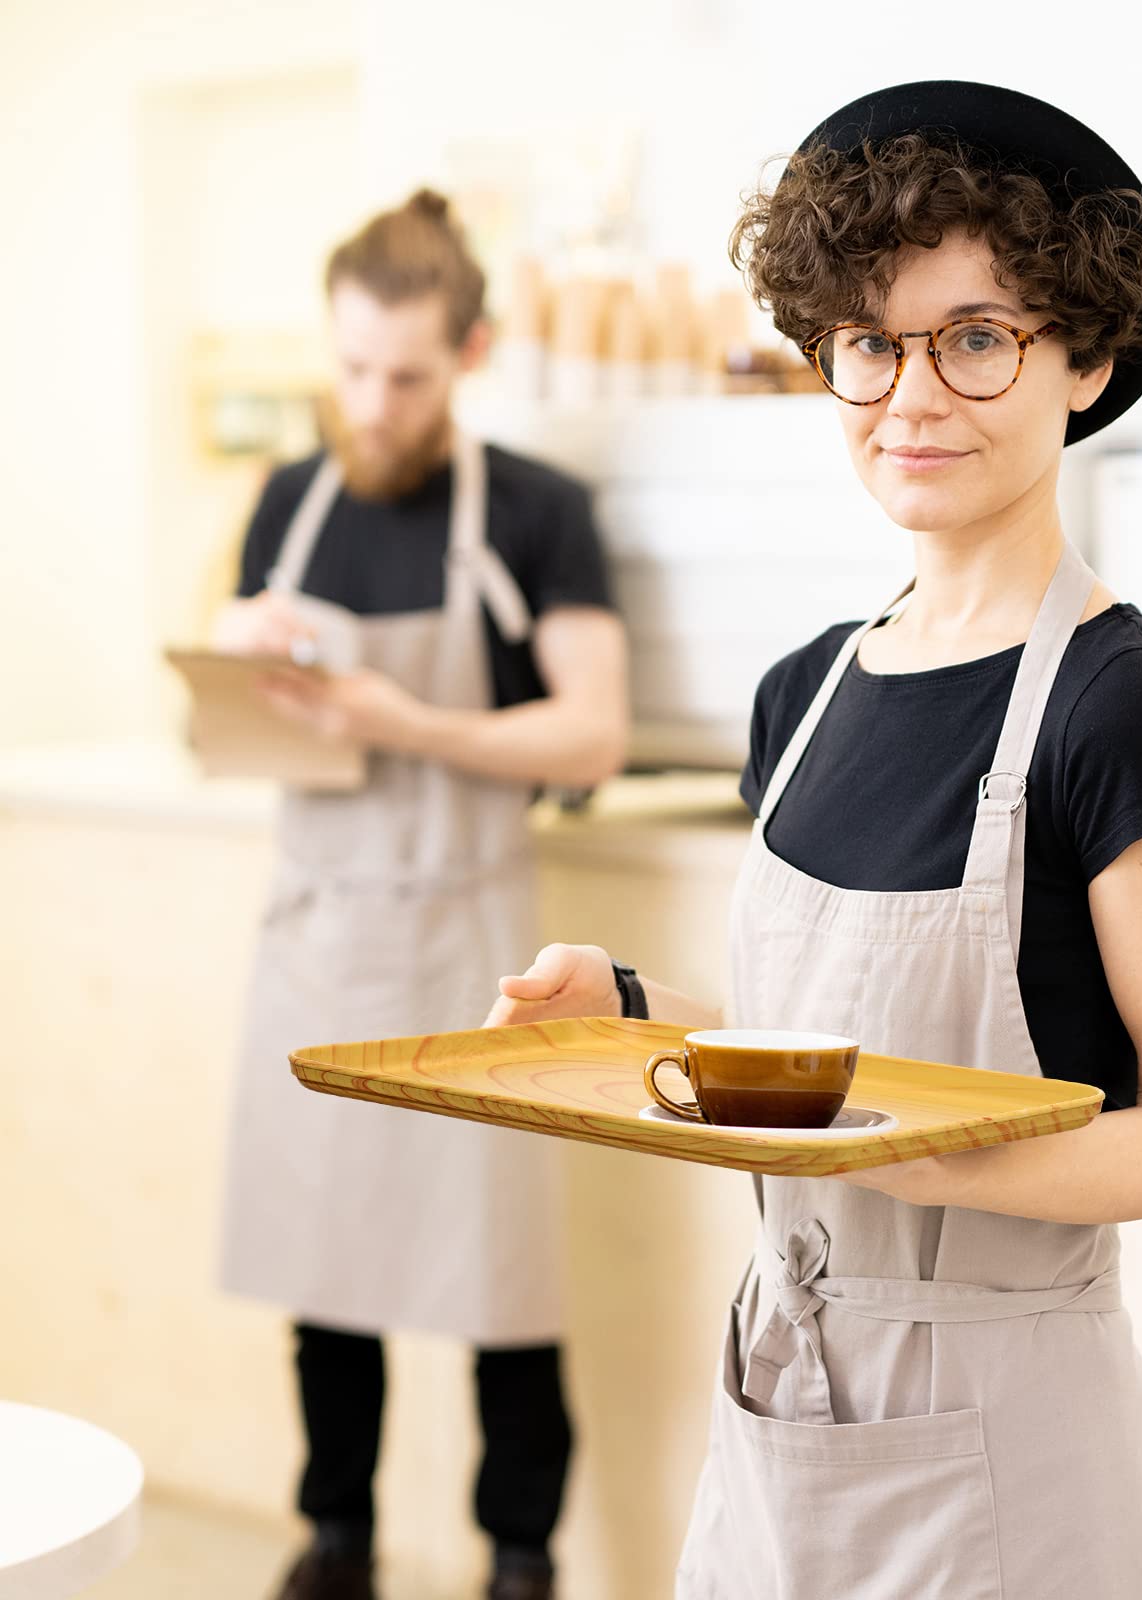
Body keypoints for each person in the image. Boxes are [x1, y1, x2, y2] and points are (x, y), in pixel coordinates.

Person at [488, 81, 1142, 1598]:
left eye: (977, 339)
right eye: (868, 344)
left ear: (1086, 361)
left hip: (1008, 1427)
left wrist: (918, 1169)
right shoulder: (808, 690)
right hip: (780, 1392)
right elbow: (842, 1053)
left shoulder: (1126, 715)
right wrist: (638, 1015)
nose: (913, 396)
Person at [214, 190, 627, 1600]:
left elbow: (592, 735)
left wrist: (408, 723)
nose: (370, 403)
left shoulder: (535, 511)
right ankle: (336, 1538)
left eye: (403, 374)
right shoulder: (286, 501)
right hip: (318, 926)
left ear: (473, 352)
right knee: (324, 1263)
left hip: (472, 936)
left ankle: (520, 1556)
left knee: (499, 1279)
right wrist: (235, 662)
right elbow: (225, 738)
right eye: (348, 369)